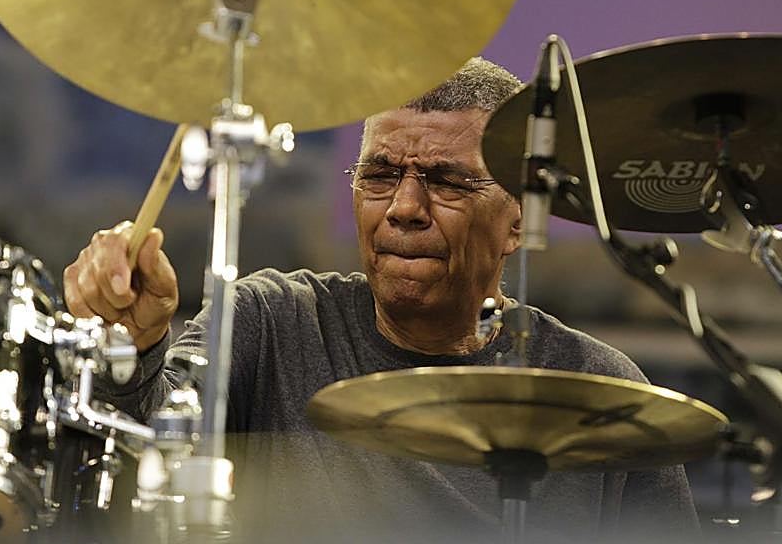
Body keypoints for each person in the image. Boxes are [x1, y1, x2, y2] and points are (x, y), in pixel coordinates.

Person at [64, 58, 699, 543]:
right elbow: (138, 467)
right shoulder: (270, 321)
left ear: (517, 222)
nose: (403, 209)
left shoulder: (600, 387)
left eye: (447, 182)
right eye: (380, 175)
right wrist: (135, 346)